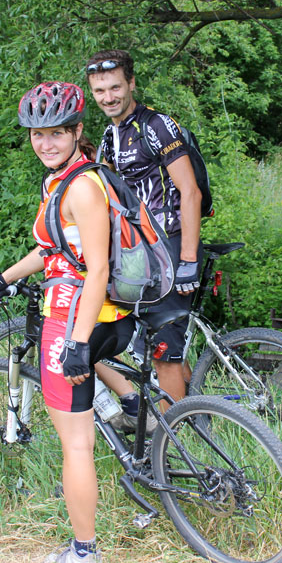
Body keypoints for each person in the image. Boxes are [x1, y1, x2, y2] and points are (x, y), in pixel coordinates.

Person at [0, 81, 133, 563]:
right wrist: (4, 279)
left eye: (56, 133)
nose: (45, 143)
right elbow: (55, 250)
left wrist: (77, 343)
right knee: (89, 414)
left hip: (75, 319)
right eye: (36, 134)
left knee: (76, 445)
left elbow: (98, 270)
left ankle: (84, 555)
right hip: (102, 316)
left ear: (76, 131)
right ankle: (131, 407)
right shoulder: (66, 179)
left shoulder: (81, 188)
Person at [84, 50, 202, 410]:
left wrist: (188, 259)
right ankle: (194, 412)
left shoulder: (156, 126)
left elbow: (190, 192)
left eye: (115, 87)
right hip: (140, 251)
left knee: (165, 351)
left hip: (170, 244)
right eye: (100, 90)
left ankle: (173, 436)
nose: (108, 97)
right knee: (151, 342)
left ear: (131, 84)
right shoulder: (110, 136)